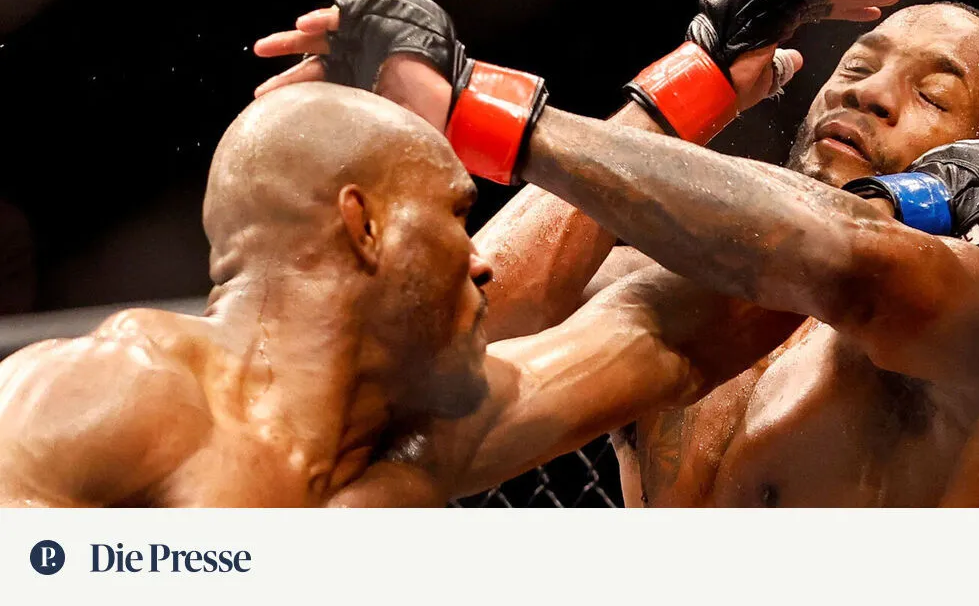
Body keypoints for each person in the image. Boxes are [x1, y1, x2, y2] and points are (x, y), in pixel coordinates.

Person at [256, 0, 979, 506]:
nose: (869, 93)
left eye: (933, 95)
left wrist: (472, 106)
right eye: (856, 66)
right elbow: (445, 339)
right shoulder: (673, 302)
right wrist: (695, 80)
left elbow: (845, 253)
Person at [0, 82, 798, 507]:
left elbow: (672, 326)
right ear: (365, 226)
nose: (482, 261)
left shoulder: (430, 443)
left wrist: (703, 77)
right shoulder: (106, 396)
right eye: (455, 215)